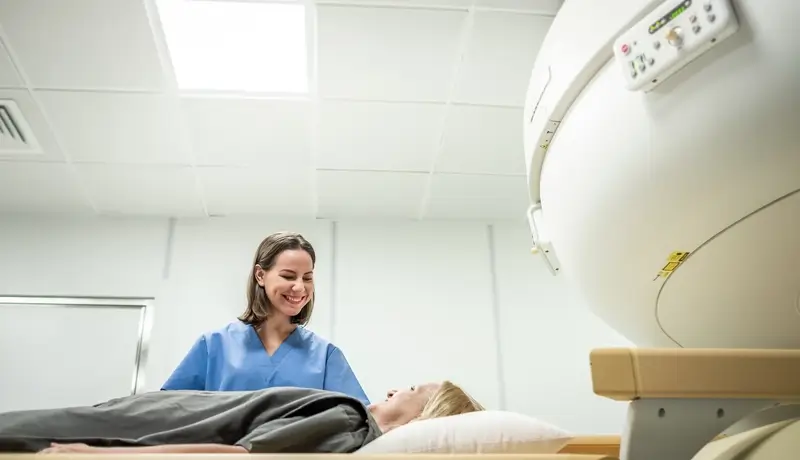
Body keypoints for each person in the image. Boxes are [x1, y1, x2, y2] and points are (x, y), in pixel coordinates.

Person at [162, 232, 369, 405]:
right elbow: (169, 409)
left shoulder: (325, 356)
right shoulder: (214, 345)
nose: (299, 287)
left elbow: (359, 418)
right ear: (260, 275)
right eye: (288, 276)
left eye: (307, 278)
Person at [0, 381, 484, 454]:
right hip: (139, 414)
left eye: (416, 389)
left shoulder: (348, 422)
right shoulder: (348, 417)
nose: (398, 386)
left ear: (423, 420)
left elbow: (235, 457)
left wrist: (100, 456)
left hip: (129, 428)